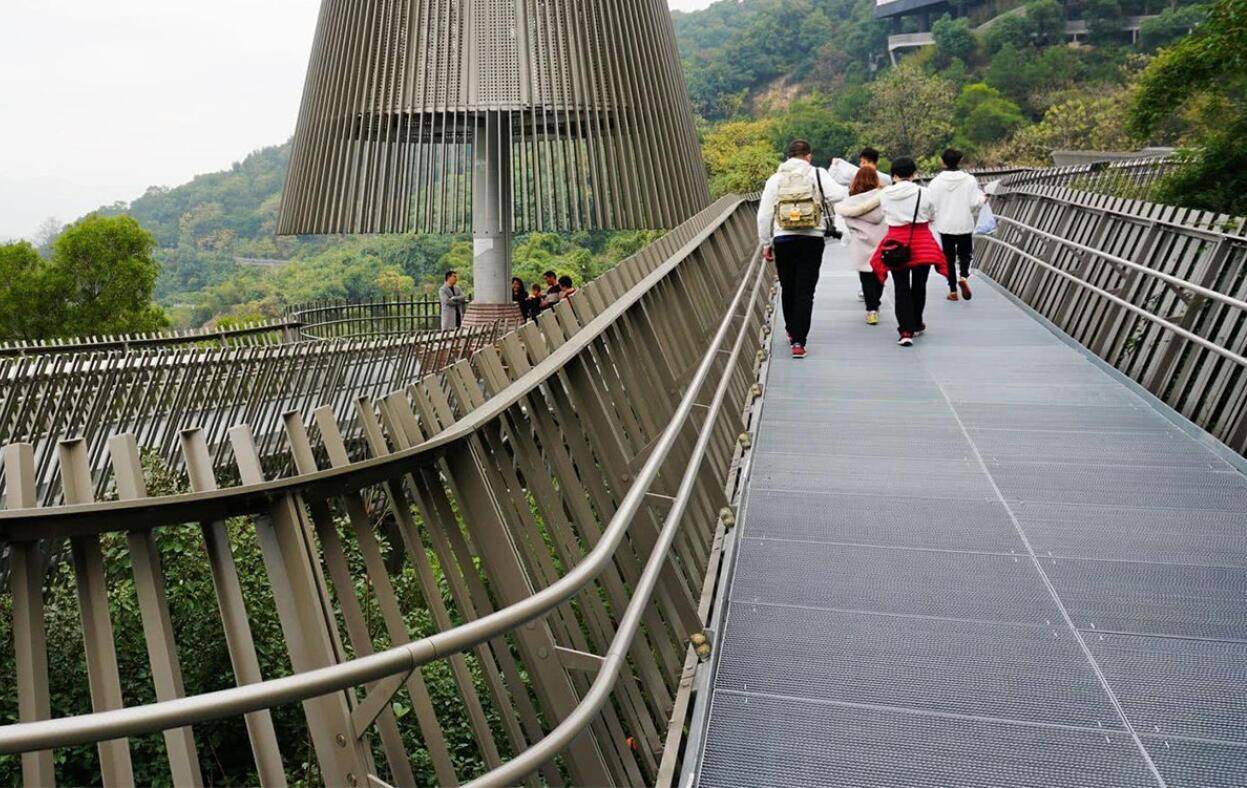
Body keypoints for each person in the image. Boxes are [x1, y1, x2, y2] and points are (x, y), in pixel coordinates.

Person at [758, 138, 847, 359]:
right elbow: (839, 195)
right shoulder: (817, 173)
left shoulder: (775, 179)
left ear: (787, 156)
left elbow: (764, 214)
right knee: (806, 291)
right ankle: (799, 341)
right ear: (808, 156)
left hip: (783, 238)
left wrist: (766, 243)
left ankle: (790, 330)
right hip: (812, 237)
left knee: (788, 287)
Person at [870, 157, 948, 347]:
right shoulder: (924, 192)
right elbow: (932, 215)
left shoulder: (885, 194)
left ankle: (905, 331)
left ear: (894, 175)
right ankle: (917, 322)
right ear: (913, 174)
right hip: (922, 243)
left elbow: (884, 214)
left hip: (896, 244)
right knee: (919, 286)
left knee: (901, 287)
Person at [929, 147, 986, 301]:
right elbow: (974, 203)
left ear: (943, 162)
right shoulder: (969, 180)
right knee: (965, 254)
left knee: (949, 257)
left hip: (944, 225)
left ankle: (953, 290)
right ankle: (964, 277)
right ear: (960, 161)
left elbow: (931, 205)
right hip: (964, 223)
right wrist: (982, 199)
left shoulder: (935, 182)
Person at [834, 165, 888, 326]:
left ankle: (871, 309)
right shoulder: (883, 198)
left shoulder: (849, 203)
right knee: (880, 274)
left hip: (860, 244)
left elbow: (848, 223)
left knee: (866, 277)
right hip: (881, 241)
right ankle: (876, 303)